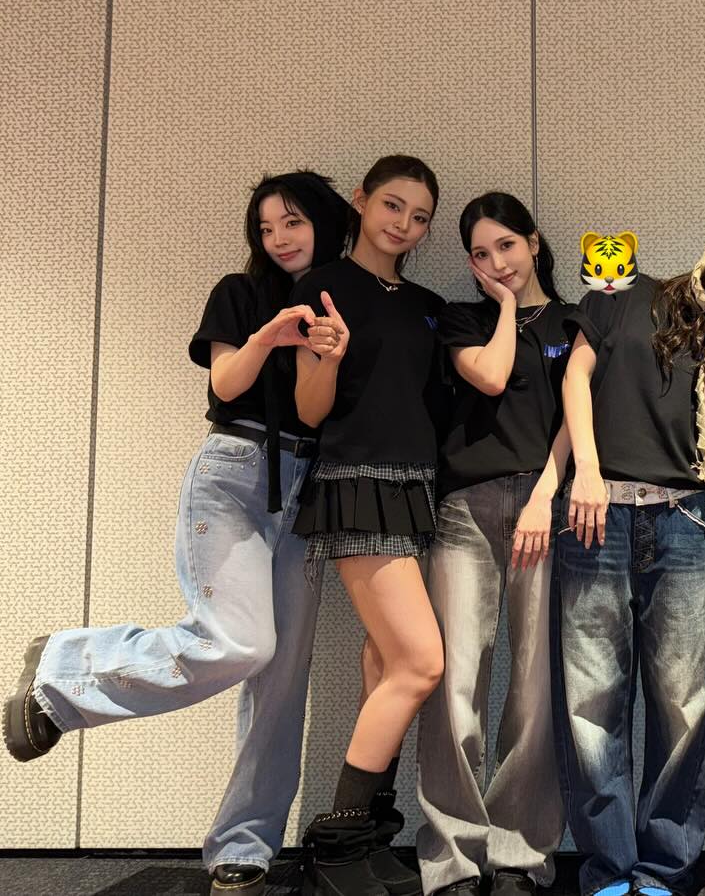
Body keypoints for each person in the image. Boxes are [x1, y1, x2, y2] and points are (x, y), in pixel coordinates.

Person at [3, 171, 354, 896]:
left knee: (282, 680)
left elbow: (324, 412)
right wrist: (269, 335)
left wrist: (330, 351)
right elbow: (226, 385)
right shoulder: (240, 291)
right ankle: (67, 666)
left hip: (307, 491)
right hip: (234, 475)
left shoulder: (340, 305)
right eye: (266, 227)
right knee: (241, 642)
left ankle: (244, 846)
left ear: (324, 222)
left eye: (293, 222)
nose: (279, 238)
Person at [554, 215, 705, 896]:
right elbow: (576, 378)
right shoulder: (623, 295)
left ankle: (661, 868)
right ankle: (607, 868)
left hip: (685, 517)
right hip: (598, 510)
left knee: (685, 699)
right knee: (591, 696)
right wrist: (585, 470)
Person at [290, 154, 446, 896]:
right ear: (360, 200)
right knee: (421, 663)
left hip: (417, 489)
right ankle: (338, 842)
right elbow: (310, 410)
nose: (404, 224)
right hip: (356, 482)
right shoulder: (323, 288)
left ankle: (373, 834)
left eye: (419, 217)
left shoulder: (426, 303)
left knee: (386, 664)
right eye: (392, 205)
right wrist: (327, 356)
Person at [415, 192, 572, 896]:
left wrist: (546, 493)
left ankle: (520, 854)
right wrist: (507, 306)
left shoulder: (574, 321)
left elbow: (578, 418)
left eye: (506, 245)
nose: (496, 261)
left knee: (536, 685)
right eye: (481, 253)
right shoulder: (463, 319)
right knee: (456, 682)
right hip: (465, 509)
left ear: (533, 241)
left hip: (546, 506)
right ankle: (452, 859)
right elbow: (490, 375)